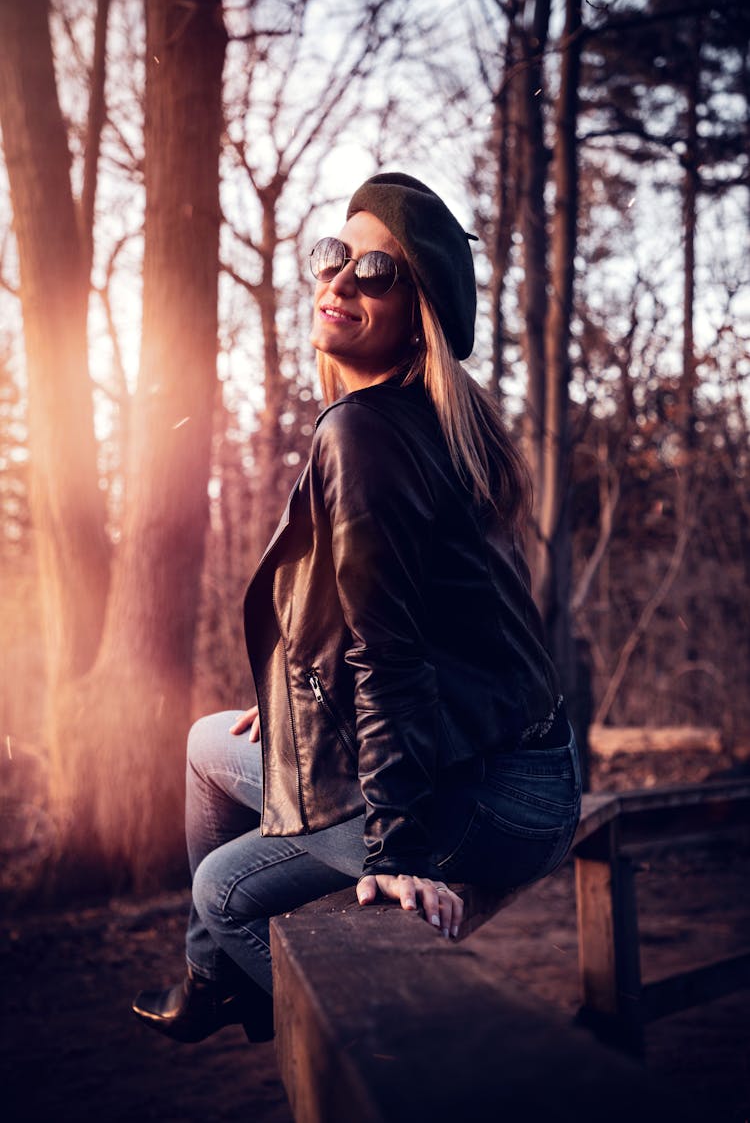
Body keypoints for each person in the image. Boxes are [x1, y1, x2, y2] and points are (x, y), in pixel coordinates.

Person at [132, 172, 582, 1044]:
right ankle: (217, 981)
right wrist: (295, 708)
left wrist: (399, 848)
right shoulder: (429, 423)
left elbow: (397, 653)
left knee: (222, 887)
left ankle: (402, 1061)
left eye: (377, 270)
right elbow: (425, 619)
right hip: (526, 767)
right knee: (202, 743)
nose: (340, 281)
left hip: (482, 797)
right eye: (333, 256)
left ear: (422, 312)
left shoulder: (364, 432)